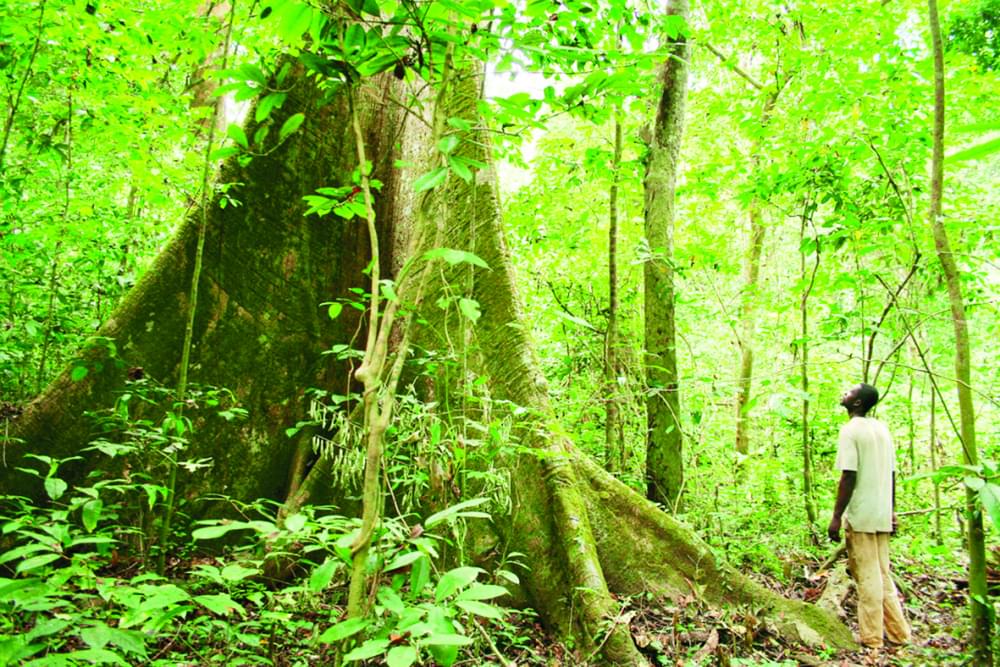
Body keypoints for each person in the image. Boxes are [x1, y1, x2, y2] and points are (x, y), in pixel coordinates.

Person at [827, 383, 911, 650]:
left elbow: (848, 475)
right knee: (883, 574)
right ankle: (899, 634)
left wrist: (836, 516)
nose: (844, 392)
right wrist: (891, 509)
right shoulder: (882, 429)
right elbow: (892, 475)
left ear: (857, 404)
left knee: (868, 577)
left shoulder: (850, 431)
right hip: (881, 512)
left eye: (849, 392)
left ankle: (872, 638)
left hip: (862, 514)